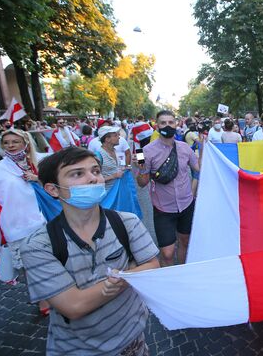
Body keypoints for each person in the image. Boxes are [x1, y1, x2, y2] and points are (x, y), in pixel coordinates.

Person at [21, 147, 160, 355]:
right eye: (77, 173)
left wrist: (112, 282)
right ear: (52, 189)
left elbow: (153, 268)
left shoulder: (127, 222)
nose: (93, 179)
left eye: (96, 171)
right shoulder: (38, 245)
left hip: (135, 344)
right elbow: (74, 306)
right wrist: (130, 273)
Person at [136, 110, 199, 266]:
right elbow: (142, 183)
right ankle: (168, 280)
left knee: (185, 241)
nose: (167, 126)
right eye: (163, 123)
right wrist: (142, 169)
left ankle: (182, 274)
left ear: (176, 124)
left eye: (171, 122)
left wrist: (204, 147)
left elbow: (198, 168)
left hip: (186, 204)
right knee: (167, 252)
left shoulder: (185, 148)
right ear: (157, 126)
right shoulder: (144, 152)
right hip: (163, 208)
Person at [0, 130, 48, 314]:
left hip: (41, 221)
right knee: (28, 267)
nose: (10, 145)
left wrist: (37, 179)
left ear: (25, 143)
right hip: (15, 225)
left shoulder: (36, 162)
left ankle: (52, 294)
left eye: (15, 141)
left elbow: (54, 183)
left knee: (46, 262)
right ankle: (42, 300)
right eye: (6, 142)